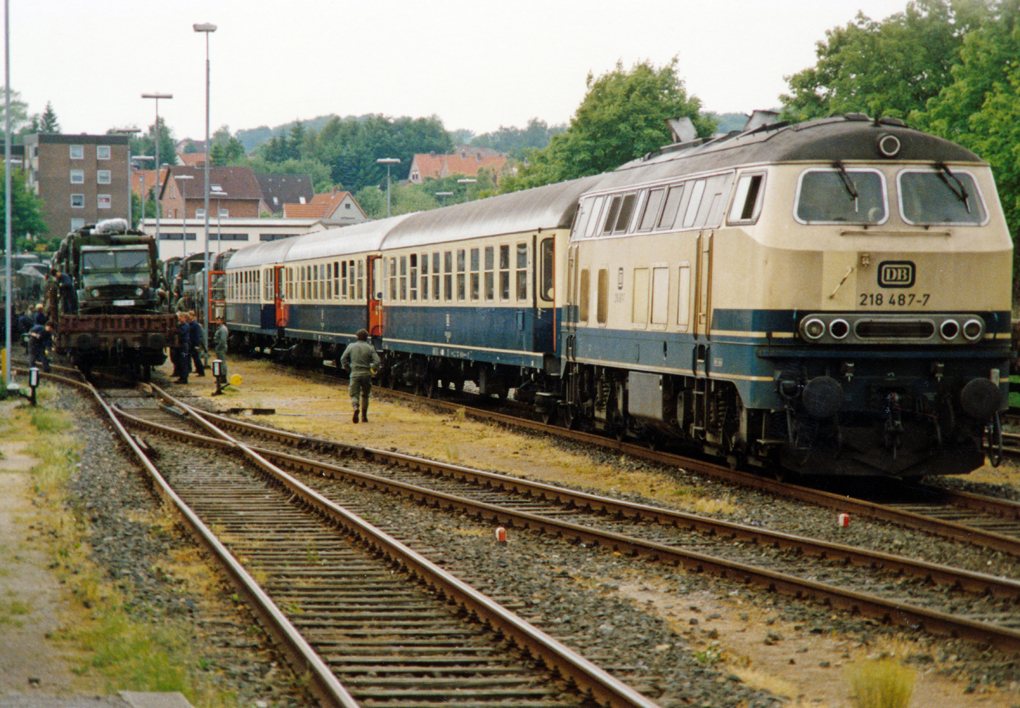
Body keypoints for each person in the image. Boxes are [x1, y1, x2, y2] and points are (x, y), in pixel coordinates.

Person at [339, 329, 381, 423]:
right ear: (366, 338)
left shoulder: (351, 346)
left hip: (355, 373)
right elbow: (377, 361)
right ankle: (364, 416)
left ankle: (356, 407)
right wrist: (372, 370)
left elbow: (343, 359)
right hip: (366, 374)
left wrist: (349, 369)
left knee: (354, 394)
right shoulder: (370, 347)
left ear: (357, 337)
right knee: (365, 395)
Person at [187, 311, 206, 377]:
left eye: (190, 315)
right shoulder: (190, 324)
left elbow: (197, 335)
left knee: (196, 358)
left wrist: (197, 345)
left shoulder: (195, 324)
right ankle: (195, 369)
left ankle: (201, 371)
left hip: (193, 343)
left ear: (192, 316)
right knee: (192, 357)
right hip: (190, 343)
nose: (189, 316)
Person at [175, 312, 190, 384]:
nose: (180, 318)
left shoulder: (185, 325)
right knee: (180, 361)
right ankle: (181, 376)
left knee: (183, 361)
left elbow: (180, 332)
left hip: (184, 346)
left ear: (185, 318)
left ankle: (184, 378)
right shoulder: (181, 325)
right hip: (181, 345)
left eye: (181, 316)